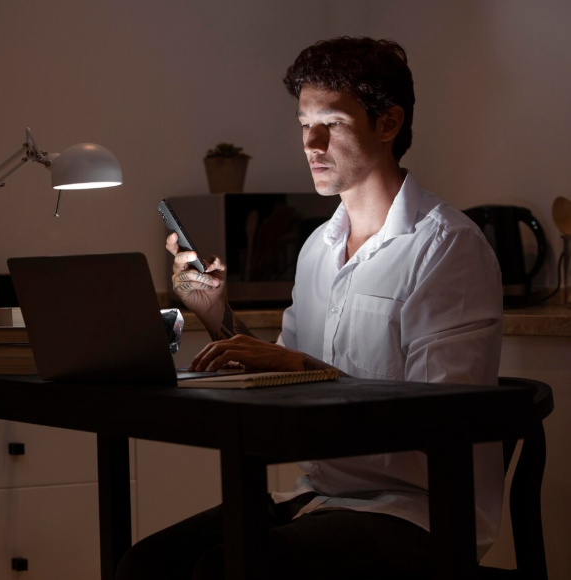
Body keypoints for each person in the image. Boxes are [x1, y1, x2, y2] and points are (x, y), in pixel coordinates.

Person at [116, 37, 504, 580]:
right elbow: (281, 375)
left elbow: (438, 420)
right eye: (304, 124)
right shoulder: (317, 247)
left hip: (419, 516)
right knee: (146, 565)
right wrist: (214, 313)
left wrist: (301, 368)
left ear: (388, 124)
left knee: (228, 568)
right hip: (318, 498)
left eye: (333, 124)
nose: (311, 143)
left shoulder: (446, 248)